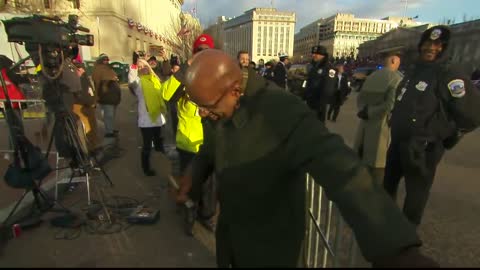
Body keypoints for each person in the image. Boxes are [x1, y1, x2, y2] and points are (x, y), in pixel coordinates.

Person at [179, 49, 438, 268]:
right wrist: (195, 173)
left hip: (270, 251)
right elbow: (213, 147)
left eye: (209, 107)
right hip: (231, 241)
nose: (203, 113)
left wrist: (395, 247)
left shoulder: (280, 111)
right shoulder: (222, 105)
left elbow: (340, 166)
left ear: (235, 91)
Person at [384, 25, 480, 226]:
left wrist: (444, 134)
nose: (431, 48)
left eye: (437, 45)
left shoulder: (449, 74)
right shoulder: (414, 70)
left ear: (445, 48)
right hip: (399, 142)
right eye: (427, 44)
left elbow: (471, 115)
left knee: (415, 195)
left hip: (423, 148)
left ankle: (406, 239)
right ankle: (387, 227)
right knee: (387, 187)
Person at [161, 33, 216, 235]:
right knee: (189, 182)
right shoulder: (185, 78)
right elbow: (166, 94)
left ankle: (207, 215)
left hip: (209, 143)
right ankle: (189, 214)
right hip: (187, 144)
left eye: (206, 52)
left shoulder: (216, 76)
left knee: (210, 186)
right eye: (199, 52)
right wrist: (186, 67)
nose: (203, 56)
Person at [353, 50, 403, 186]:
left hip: (364, 126)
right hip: (382, 128)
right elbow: (390, 105)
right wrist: (372, 112)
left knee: (363, 162)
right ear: (393, 60)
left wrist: (365, 111)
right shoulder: (397, 79)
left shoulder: (372, 76)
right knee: (378, 169)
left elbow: (360, 99)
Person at [130, 59, 167, 176]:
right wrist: (134, 66)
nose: (142, 68)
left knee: (158, 142)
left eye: (144, 66)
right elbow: (131, 80)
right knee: (147, 146)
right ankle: (146, 169)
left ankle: (161, 158)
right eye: (139, 67)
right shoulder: (138, 82)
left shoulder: (155, 80)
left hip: (157, 117)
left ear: (148, 67)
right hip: (146, 119)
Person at [71, 60, 102, 157]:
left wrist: (94, 101)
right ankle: (86, 152)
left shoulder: (84, 78)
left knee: (92, 130)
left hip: (89, 108)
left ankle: (93, 148)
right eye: (78, 68)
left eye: (81, 68)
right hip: (81, 108)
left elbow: (91, 90)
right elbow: (80, 94)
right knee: (85, 132)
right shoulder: (74, 80)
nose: (81, 70)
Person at [91, 53, 121, 138]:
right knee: (109, 114)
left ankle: (110, 129)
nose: (106, 61)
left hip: (113, 96)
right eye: (104, 59)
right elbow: (97, 84)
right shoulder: (98, 69)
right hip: (106, 96)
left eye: (107, 59)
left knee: (111, 114)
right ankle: (109, 131)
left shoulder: (109, 68)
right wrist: (96, 96)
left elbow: (115, 78)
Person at [304, 45, 336, 122]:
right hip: (310, 101)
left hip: (319, 104)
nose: (313, 55)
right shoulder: (314, 67)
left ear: (323, 55)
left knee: (317, 126)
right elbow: (308, 82)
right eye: (313, 53)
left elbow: (328, 88)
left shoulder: (329, 68)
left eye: (316, 54)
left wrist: (321, 104)